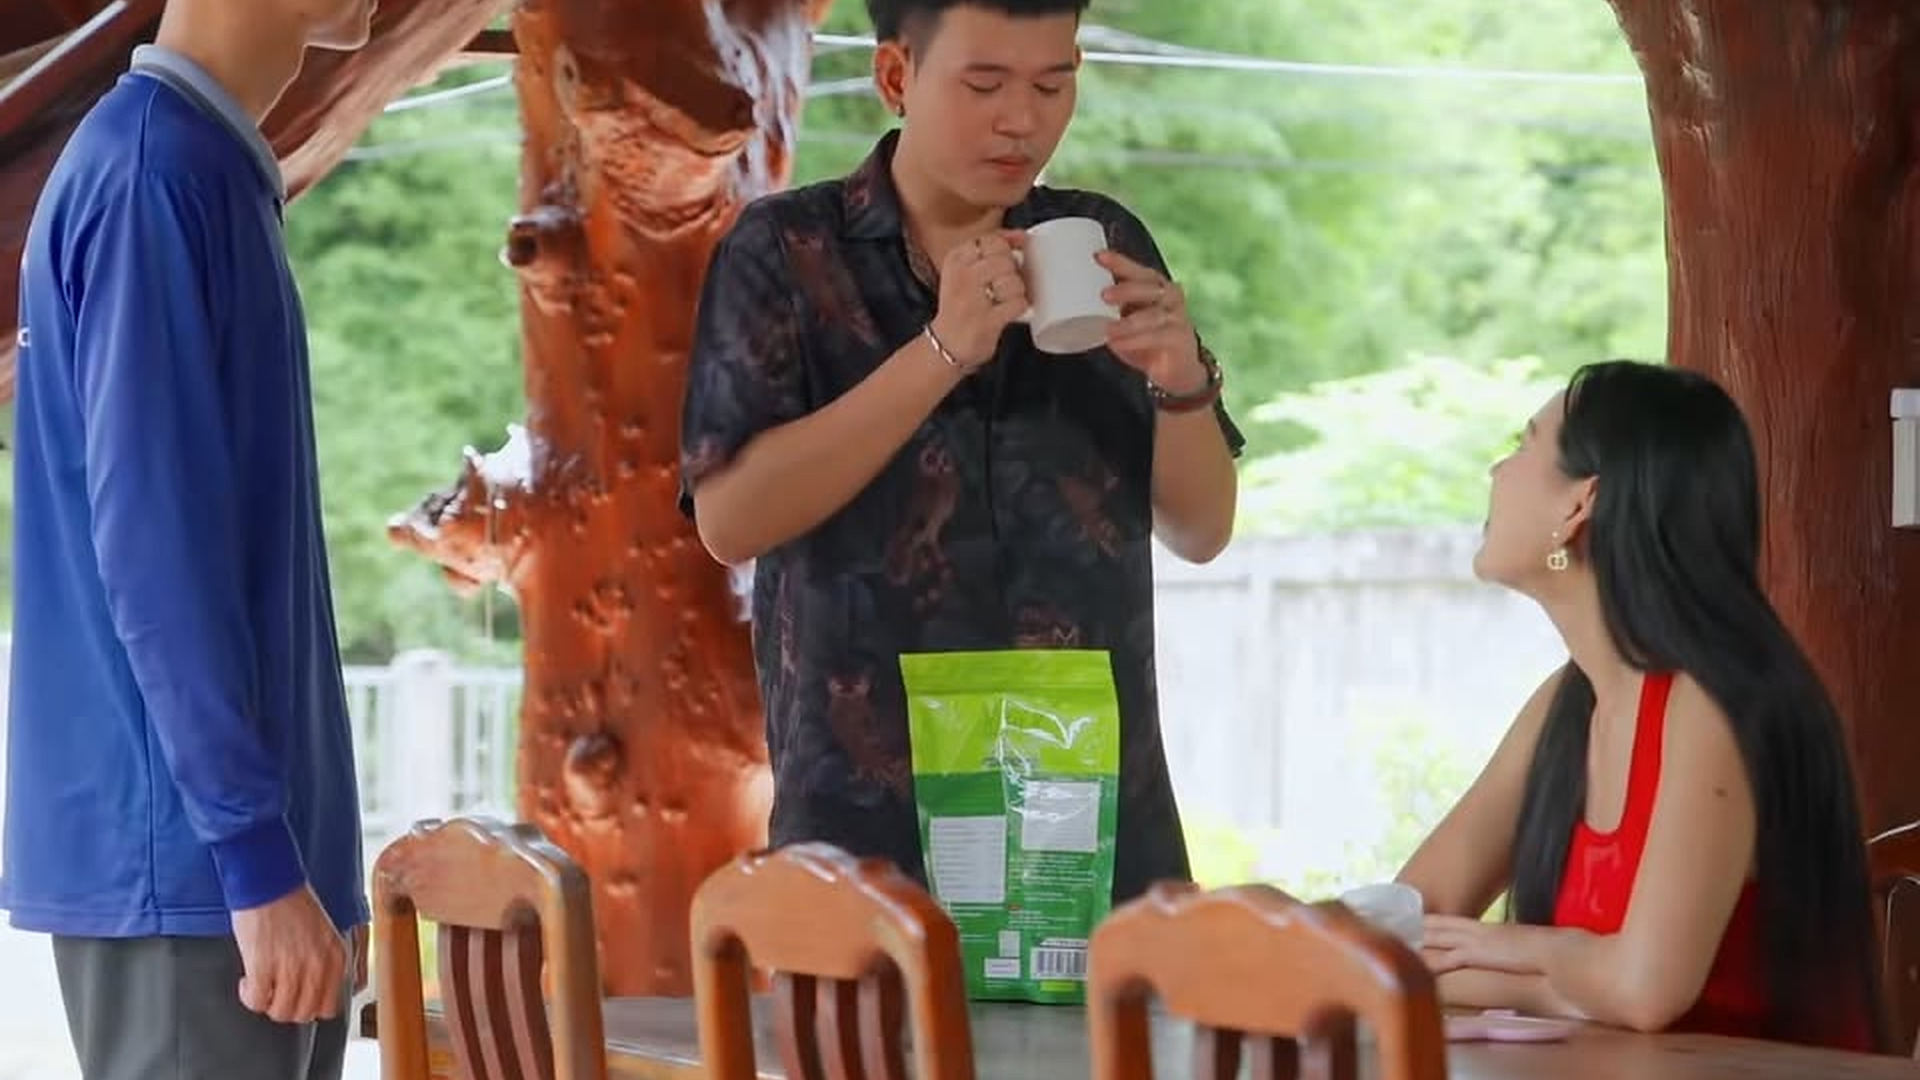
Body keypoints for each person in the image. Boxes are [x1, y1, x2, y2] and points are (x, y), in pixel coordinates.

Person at [677, 0, 1243, 905]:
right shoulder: (785, 253)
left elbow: (1202, 528)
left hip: (1092, 819)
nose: (1022, 120)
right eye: (985, 84)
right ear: (895, 75)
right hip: (867, 832)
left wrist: (1182, 379)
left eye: (1053, 85)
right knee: (874, 1003)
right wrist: (942, 351)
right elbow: (731, 520)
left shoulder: (1101, 243)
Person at [6, 0, 375, 1076]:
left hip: (228, 874)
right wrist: (257, 860)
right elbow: (156, 560)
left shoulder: (200, 165)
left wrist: (311, 865)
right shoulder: (150, 175)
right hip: (191, 873)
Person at [1396, 360, 1881, 1050]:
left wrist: (1514, 949)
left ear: (1579, 506)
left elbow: (1647, 989)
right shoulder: (1566, 704)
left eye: (1524, 445)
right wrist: (1558, 974)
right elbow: (1406, 930)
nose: (1497, 472)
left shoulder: (1708, 704)